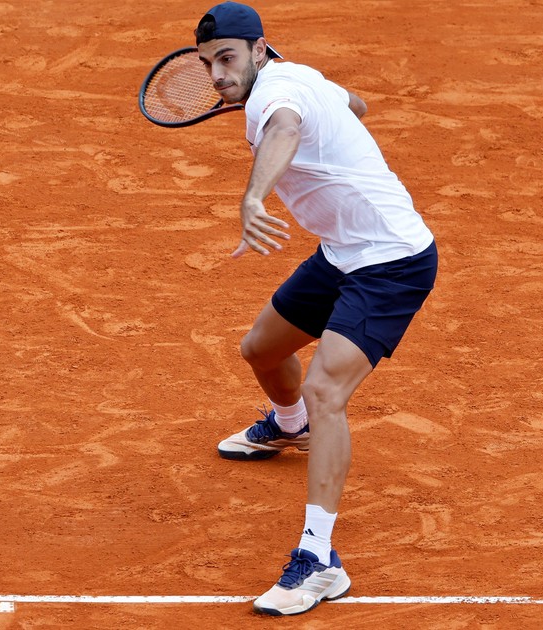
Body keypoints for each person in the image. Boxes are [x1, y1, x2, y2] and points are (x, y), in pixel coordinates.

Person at [192, 1, 439, 616]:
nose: (217, 74)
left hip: (392, 263)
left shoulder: (276, 98)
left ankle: (320, 559)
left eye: (227, 58)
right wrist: (335, 113)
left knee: (327, 390)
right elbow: (357, 104)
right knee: (261, 350)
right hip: (340, 253)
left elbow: (284, 129)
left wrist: (254, 196)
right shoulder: (299, 76)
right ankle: (289, 426)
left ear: (259, 49)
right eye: (207, 63)